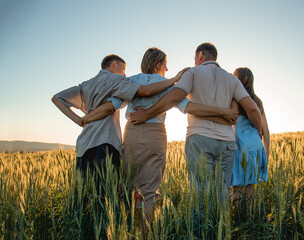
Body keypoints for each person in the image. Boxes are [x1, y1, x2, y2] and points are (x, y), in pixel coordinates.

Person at [83, 47, 238, 233]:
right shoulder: (167, 84)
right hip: (155, 134)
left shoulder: (130, 81)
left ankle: (133, 232)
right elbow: (185, 106)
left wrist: (86, 119)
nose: (166, 68)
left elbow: (113, 105)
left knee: (132, 185)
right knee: (150, 189)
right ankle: (147, 233)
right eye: (165, 63)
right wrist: (222, 114)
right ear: (157, 63)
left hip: (131, 132)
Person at [51, 54, 188, 238]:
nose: (124, 74)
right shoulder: (122, 81)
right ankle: (140, 235)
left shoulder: (88, 84)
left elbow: (109, 104)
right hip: (117, 140)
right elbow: (148, 94)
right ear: (114, 64)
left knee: (100, 193)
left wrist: (81, 119)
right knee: (136, 193)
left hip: (89, 143)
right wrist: (174, 80)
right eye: (123, 69)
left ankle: (92, 233)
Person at [130, 43, 262, 203]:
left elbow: (174, 98)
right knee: (222, 195)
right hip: (227, 142)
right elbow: (253, 110)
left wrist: (146, 114)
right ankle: (220, 227)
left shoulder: (192, 73)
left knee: (201, 197)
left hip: (200, 139)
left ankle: (201, 228)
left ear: (200, 55)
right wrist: (259, 131)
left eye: (195, 57)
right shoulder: (232, 79)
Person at [230, 67, 270, 213]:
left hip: (240, 147)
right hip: (255, 147)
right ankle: (250, 220)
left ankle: (238, 221)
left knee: (237, 188)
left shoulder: (234, 99)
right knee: (250, 188)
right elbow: (266, 131)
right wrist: (266, 154)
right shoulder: (257, 101)